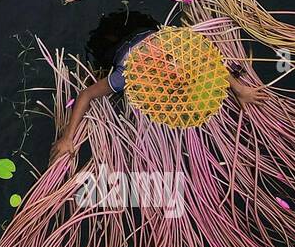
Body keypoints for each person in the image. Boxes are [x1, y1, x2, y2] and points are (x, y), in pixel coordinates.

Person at [50, 8, 265, 160]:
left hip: (142, 27)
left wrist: (239, 89)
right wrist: (67, 137)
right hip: (111, 48)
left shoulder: (173, 48)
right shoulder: (125, 75)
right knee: (103, 40)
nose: (175, 71)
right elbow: (86, 94)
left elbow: (206, 60)